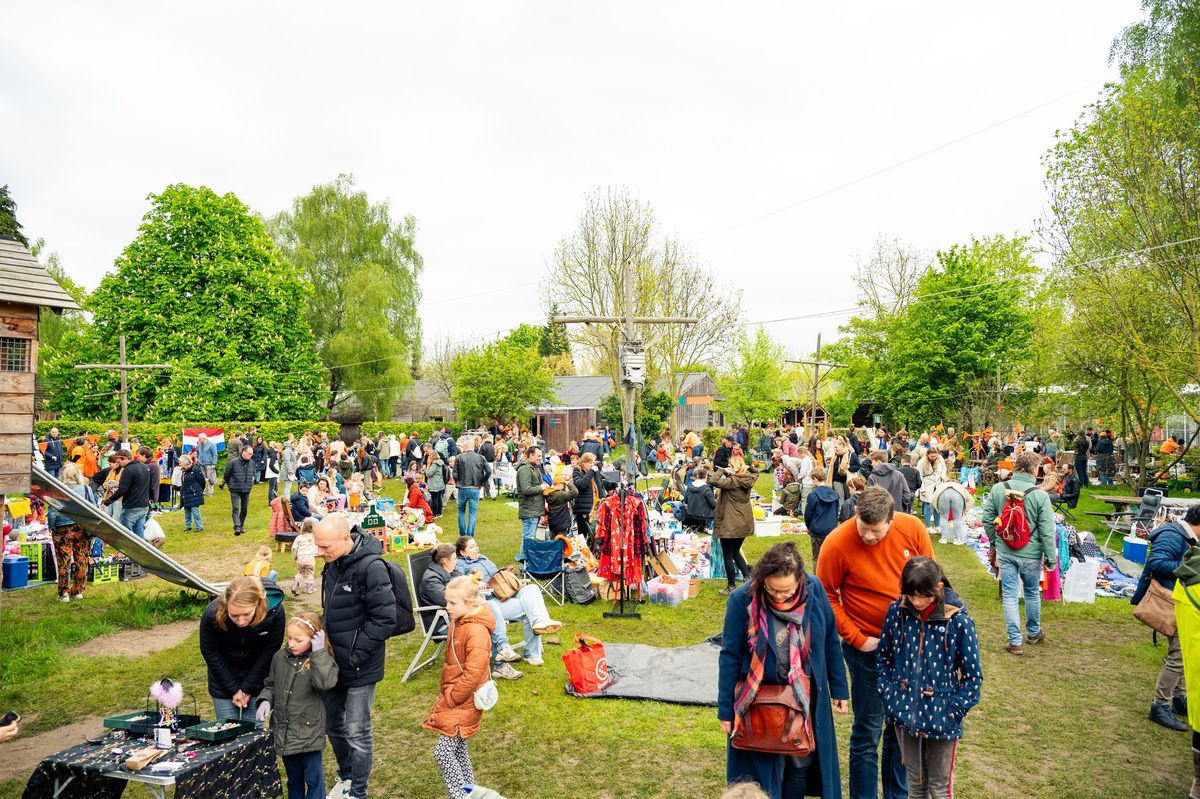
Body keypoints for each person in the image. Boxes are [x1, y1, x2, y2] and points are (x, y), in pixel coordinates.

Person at [816, 486, 934, 799]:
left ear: (892, 521)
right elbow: (826, 595)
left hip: (909, 649)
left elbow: (931, 581)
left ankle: (897, 795)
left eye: (876, 531)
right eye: (863, 529)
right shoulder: (837, 542)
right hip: (866, 651)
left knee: (902, 729)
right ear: (856, 515)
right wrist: (856, 638)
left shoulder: (913, 530)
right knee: (868, 730)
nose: (868, 537)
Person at [717, 541, 849, 798]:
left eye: (786, 591)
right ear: (762, 579)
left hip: (805, 700)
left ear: (800, 579)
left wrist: (839, 689)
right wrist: (725, 709)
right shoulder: (741, 599)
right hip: (758, 705)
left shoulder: (815, 590)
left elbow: (830, 641)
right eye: (773, 590)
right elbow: (730, 656)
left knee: (800, 762)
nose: (779, 597)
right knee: (765, 771)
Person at [877, 557, 981, 799]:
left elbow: (973, 677)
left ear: (938, 588)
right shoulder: (896, 612)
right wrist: (891, 696)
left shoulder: (959, 622)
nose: (916, 601)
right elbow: (883, 658)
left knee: (939, 788)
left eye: (922, 596)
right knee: (915, 785)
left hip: (943, 717)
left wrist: (953, 711)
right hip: (904, 713)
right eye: (910, 595)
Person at [314, 515, 398, 799]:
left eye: (325, 546)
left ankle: (357, 792)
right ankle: (347, 774)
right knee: (331, 723)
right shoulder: (332, 564)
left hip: (360, 664)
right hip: (333, 662)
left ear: (345, 538)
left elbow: (385, 618)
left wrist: (354, 654)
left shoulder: (371, 567)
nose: (319, 552)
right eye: (318, 546)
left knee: (357, 731)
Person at [424, 574, 500, 799]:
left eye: (452, 603)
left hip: (462, 700)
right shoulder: (460, 621)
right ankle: (470, 790)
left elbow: (474, 672)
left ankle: (461, 795)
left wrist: (453, 696)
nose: (447, 607)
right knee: (458, 748)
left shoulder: (475, 630)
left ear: (471, 603)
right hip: (457, 698)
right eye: (447, 601)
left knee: (443, 752)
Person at [255, 610, 338, 799]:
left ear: (315, 638)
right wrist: (266, 700)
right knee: (293, 779)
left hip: (308, 731)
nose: (291, 644)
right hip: (285, 731)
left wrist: (318, 654)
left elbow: (325, 683)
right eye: (289, 638)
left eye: (298, 640)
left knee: (313, 779)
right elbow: (271, 684)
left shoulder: (320, 660)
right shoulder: (280, 658)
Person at [979, 451, 1056, 656]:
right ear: (1034, 469)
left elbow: (986, 518)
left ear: (1016, 467)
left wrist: (996, 541)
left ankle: (1014, 641)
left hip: (1005, 550)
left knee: (1010, 596)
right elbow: (1048, 531)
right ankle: (1032, 633)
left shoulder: (998, 489)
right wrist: (1050, 558)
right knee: (1031, 592)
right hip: (1031, 553)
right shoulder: (1040, 495)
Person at [1133, 505, 1200, 731]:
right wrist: (1191, 567)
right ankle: (1160, 705)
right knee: (1180, 654)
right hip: (1171, 600)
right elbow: (1156, 563)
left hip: (1180, 599)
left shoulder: (1186, 536)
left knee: (1186, 651)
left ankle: (1180, 698)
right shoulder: (1173, 535)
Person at [454, 536, 562, 666]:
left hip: (506, 591)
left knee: (532, 589)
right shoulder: (460, 564)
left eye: (476, 545)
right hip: (491, 600)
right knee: (529, 611)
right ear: (462, 552)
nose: (476, 548)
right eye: (471, 547)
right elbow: (460, 582)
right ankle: (533, 654)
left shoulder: (483, 558)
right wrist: (475, 582)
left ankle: (541, 621)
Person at [199, 576, 286, 725]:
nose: (241, 621)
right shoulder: (211, 613)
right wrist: (233, 689)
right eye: (234, 615)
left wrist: (247, 688)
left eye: (247, 614)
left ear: (258, 603)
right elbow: (210, 651)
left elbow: (269, 652)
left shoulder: (275, 613)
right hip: (223, 678)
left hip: (257, 677)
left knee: (253, 733)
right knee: (227, 731)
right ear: (226, 605)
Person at [48, 461, 97, 603]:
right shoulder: (86, 489)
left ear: (63, 474)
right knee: (81, 559)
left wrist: (52, 526)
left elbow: (52, 511)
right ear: (78, 474)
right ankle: (78, 591)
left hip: (62, 529)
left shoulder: (58, 489)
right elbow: (93, 509)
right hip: (82, 527)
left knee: (63, 561)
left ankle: (64, 594)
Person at [710, 455, 757, 596]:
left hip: (730, 522)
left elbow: (713, 480)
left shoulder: (731, 481)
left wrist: (722, 471)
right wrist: (749, 467)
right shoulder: (748, 479)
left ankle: (731, 586)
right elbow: (755, 473)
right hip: (744, 521)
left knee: (728, 555)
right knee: (736, 551)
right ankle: (749, 579)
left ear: (733, 467)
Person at [100, 449, 151, 538]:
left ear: (125, 459)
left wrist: (107, 502)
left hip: (132, 506)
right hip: (144, 504)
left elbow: (122, 490)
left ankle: (125, 552)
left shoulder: (127, 470)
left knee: (125, 534)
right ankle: (139, 551)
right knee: (139, 532)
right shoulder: (144, 466)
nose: (118, 464)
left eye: (119, 461)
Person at [804, 467, 840, 570]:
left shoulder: (813, 495)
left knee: (817, 557)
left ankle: (818, 579)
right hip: (831, 529)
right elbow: (836, 512)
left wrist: (808, 526)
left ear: (815, 479)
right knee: (830, 557)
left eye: (811, 479)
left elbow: (808, 514)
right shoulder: (834, 494)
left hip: (817, 530)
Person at [515, 446, 545, 557]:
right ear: (531, 455)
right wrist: (541, 488)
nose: (540, 458)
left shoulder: (533, 467)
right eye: (538, 456)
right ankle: (525, 562)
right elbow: (526, 489)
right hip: (529, 510)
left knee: (529, 537)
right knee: (528, 538)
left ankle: (526, 561)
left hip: (534, 509)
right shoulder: (525, 469)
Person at [571, 452, 607, 545]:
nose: (592, 465)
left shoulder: (595, 473)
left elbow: (600, 485)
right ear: (583, 463)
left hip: (595, 508)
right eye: (590, 463)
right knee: (582, 535)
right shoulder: (577, 471)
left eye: (593, 462)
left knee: (594, 534)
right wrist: (591, 472)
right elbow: (581, 484)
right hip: (583, 509)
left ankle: (592, 554)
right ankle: (583, 556)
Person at [867, 449, 911, 516]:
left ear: (878, 461)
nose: (871, 464)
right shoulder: (899, 475)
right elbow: (907, 495)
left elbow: (869, 498)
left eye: (872, 461)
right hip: (897, 512)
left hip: (879, 515)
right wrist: (901, 507)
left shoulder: (872, 477)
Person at [224, 445, 257, 536]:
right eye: (249, 453)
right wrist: (229, 484)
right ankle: (237, 527)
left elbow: (252, 474)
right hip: (234, 488)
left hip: (246, 489)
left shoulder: (252, 463)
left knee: (244, 509)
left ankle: (241, 525)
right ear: (243, 452)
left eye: (251, 454)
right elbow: (226, 475)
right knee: (235, 508)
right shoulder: (233, 462)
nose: (251, 455)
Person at [932, 479, 973, 546]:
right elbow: (971, 500)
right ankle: (957, 539)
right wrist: (964, 511)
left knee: (943, 517)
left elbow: (933, 499)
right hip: (958, 495)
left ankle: (943, 539)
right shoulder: (960, 486)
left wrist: (938, 511)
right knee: (957, 518)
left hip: (943, 494)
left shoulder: (941, 485)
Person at [917, 449, 947, 535]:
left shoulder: (940, 458)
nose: (934, 458)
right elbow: (920, 476)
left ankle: (937, 525)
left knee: (937, 505)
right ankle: (928, 526)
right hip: (927, 485)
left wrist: (943, 476)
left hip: (938, 484)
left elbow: (944, 469)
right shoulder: (921, 462)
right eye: (931, 456)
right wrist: (922, 490)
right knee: (928, 505)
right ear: (927, 455)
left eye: (935, 456)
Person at [684, 465, 718, 530]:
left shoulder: (689, 487)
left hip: (690, 515)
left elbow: (685, 501)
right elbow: (714, 505)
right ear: (706, 476)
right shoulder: (707, 489)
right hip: (704, 517)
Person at [178, 455, 206, 532]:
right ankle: (188, 526)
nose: (180, 464)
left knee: (194, 510)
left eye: (181, 462)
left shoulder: (196, 469)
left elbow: (202, 481)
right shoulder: (184, 470)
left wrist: (198, 490)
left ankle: (199, 526)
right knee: (187, 510)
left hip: (194, 493)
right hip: (186, 493)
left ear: (186, 462)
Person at [425, 451, 448, 519]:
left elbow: (428, 474)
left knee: (434, 498)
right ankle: (439, 513)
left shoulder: (434, 464)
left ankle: (435, 514)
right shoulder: (440, 462)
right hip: (440, 483)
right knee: (439, 498)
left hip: (434, 484)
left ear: (432, 457)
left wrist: (428, 465)